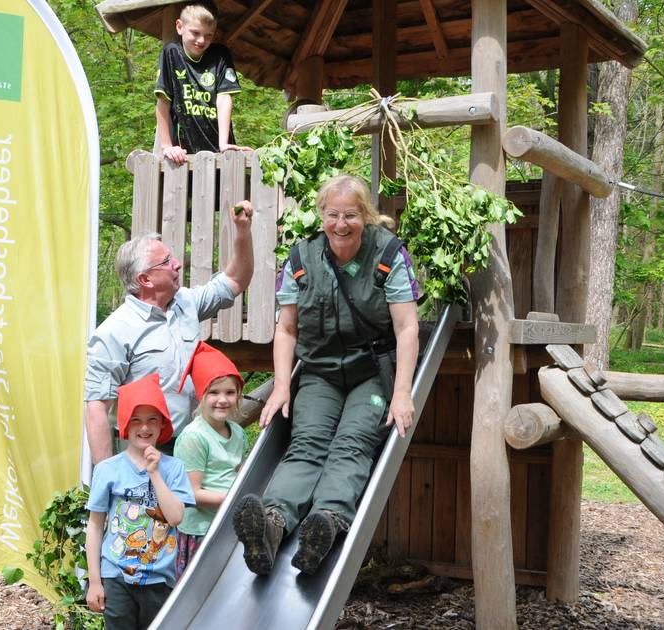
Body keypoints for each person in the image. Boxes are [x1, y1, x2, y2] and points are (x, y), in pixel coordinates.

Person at [233, 174, 420, 576]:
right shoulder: (302, 259)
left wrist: (402, 392)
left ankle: (326, 525)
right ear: (322, 215)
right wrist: (282, 386)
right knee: (307, 443)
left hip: (371, 372)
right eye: (333, 215)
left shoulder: (388, 253)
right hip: (320, 371)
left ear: (365, 215)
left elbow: (406, 327)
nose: (341, 224)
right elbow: (287, 329)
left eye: (350, 215)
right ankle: (271, 525)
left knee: (352, 443)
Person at [84, 201, 254, 465]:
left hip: (194, 445)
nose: (177, 264)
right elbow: (97, 407)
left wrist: (242, 232)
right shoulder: (113, 333)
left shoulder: (186, 302)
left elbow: (235, 280)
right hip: (144, 451)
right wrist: (108, 478)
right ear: (145, 280)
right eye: (166, 261)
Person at [86, 373, 194, 630]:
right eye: (136, 420)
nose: (144, 428)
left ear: (162, 425)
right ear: (124, 424)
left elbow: (176, 517)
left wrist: (154, 472)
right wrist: (94, 581)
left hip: (159, 578)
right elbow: (94, 525)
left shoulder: (174, 468)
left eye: (151, 420)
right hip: (116, 576)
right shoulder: (108, 470)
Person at [173, 341, 246, 578]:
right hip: (201, 531)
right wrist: (232, 501)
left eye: (229, 392)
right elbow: (190, 493)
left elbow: (238, 472)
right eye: (213, 392)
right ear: (201, 395)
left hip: (229, 525)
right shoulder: (194, 437)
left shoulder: (238, 433)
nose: (222, 399)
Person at [154, 2, 249, 165]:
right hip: (184, 154)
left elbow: (224, 98)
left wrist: (223, 144)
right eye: (195, 33)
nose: (201, 40)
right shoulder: (171, 53)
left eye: (208, 35)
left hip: (220, 153)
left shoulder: (220, 55)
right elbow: (163, 101)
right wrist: (167, 146)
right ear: (179, 27)